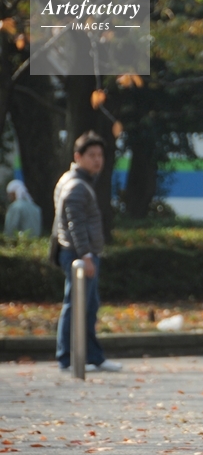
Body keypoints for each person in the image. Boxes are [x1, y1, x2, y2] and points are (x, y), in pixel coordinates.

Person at [53, 132, 123, 373]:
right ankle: (67, 359)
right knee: (76, 305)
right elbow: (75, 225)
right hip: (78, 255)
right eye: (91, 155)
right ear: (78, 157)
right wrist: (85, 255)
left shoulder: (73, 181)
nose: (97, 160)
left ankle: (93, 356)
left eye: (100, 155)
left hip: (77, 253)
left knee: (88, 306)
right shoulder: (76, 186)